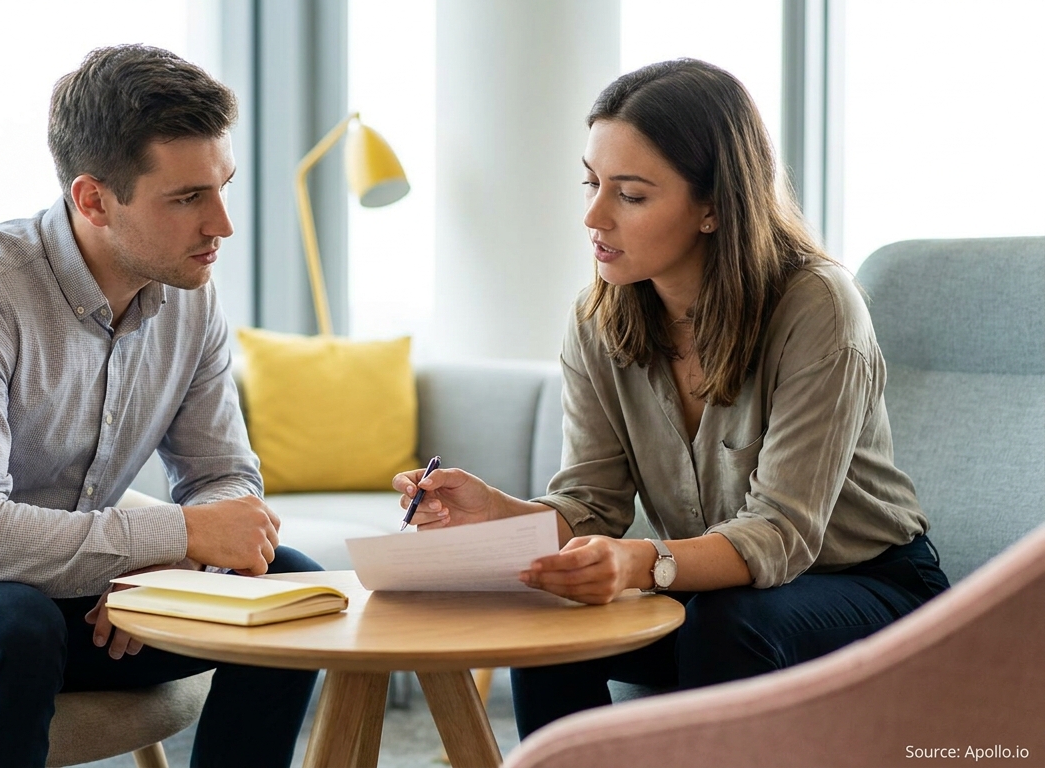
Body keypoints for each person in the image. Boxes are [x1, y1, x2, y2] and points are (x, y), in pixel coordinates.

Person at [0, 44, 319, 768]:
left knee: (290, 584)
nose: (222, 225)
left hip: (55, 600)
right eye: (188, 197)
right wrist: (170, 541)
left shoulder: (191, 300)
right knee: (8, 625)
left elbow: (224, 479)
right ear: (93, 199)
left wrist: (169, 572)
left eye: (222, 186)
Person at [393, 58, 950, 738]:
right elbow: (591, 504)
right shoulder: (598, 318)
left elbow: (781, 535)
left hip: (873, 586)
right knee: (548, 604)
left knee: (724, 625)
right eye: (591, 183)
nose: (593, 216)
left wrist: (642, 563)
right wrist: (498, 514)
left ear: (714, 207)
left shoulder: (817, 307)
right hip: (720, 588)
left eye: (629, 195)